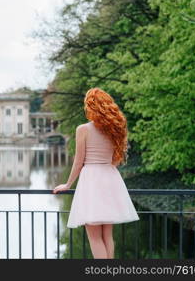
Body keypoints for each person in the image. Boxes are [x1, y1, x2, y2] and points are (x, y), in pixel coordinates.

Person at [53, 87, 139, 259]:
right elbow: (116, 159)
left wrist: (68, 184)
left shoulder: (83, 129)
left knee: (94, 237)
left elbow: (78, 161)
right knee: (107, 236)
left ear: (90, 106)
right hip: (110, 177)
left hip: (91, 180)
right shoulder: (116, 128)